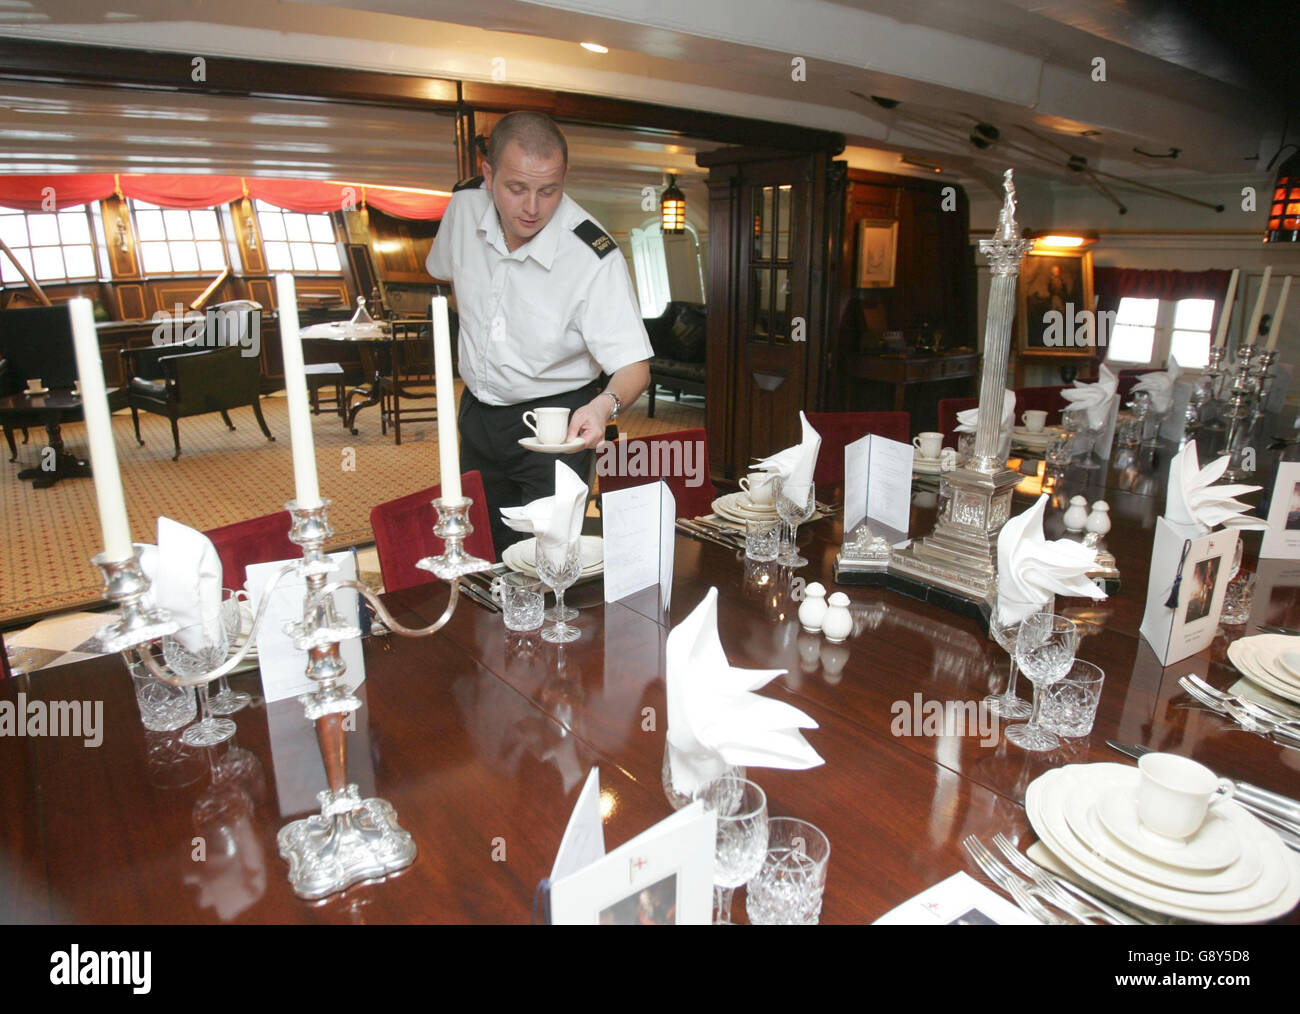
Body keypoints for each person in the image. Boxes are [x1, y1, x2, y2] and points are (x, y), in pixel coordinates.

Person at [425, 111, 652, 553]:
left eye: (549, 190)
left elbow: (635, 366)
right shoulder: (462, 208)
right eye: (517, 188)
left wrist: (604, 406)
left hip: (558, 423)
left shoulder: (592, 255)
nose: (533, 207)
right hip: (477, 414)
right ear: (488, 175)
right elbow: (446, 275)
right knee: (479, 552)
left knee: (547, 560)